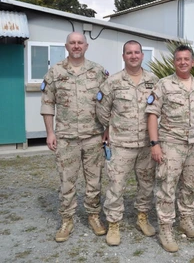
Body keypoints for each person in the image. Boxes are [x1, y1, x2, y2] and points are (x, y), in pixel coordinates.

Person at [40, 31, 108, 242]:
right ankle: (67, 219)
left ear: (86, 46)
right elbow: (47, 104)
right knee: (67, 181)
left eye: (80, 43)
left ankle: (93, 215)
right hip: (66, 137)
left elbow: (108, 104)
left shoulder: (98, 72)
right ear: (66, 46)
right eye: (73, 43)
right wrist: (50, 132)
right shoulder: (55, 72)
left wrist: (107, 130)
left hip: (93, 136)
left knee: (94, 181)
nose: (76, 46)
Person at [146, 45, 194, 253]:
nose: (183, 62)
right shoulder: (163, 85)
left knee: (190, 185)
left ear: (193, 63)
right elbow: (152, 114)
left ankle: (186, 219)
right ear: (174, 62)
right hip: (170, 144)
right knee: (167, 187)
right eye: (179, 59)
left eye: (186, 59)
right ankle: (165, 228)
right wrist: (155, 144)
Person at [96, 40, 159, 246]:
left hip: (146, 145)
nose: (133, 56)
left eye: (137, 52)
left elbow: (160, 110)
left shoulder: (154, 81)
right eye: (129, 53)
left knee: (147, 184)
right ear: (123, 56)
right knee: (116, 185)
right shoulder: (113, 82)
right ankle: (114, 224)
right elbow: (101, 110)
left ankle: (142, 216)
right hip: (121, 145)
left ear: (142, 55)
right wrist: (109, 127)